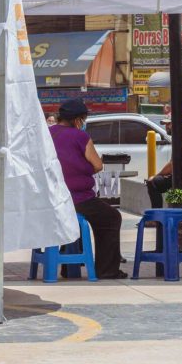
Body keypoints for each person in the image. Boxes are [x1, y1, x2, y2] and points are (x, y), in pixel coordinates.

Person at [47, 100, 125, 279]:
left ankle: (70, 267)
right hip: (78, 198)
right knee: (111, 218)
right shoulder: (80, 137)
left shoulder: (47, 134)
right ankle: (106, 270)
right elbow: (98, 165)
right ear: (77, 120)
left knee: (79, 222)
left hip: (53, 198)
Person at [145, 115, 182, 207]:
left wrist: (156, 176)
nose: (166, 127)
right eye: (165, 124)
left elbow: (172, 165)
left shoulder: (181, 140)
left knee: (152, 182)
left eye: (169, 124)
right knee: (158, 181)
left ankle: (156, 215)